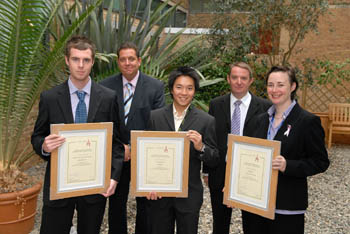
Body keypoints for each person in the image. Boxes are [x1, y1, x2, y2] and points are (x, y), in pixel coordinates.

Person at [31, 35, 124, 234]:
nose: (80, 65)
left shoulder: (108, 98)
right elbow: (37, 136)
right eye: (75, 59)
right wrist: (44, 147)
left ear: (92, 61)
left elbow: (116, 143)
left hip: (94, 186)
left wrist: (114, 177)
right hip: (59, 184)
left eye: (86, 60)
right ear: (67, 60)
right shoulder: (50, 98)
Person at [242, 66, 330, 234]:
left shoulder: (307, 121)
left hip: (287, 207)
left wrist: (287, 166)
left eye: (280, 85)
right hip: (254, 204)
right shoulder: (258, 121)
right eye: (270, 85)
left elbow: (321, 162)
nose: (274, 90)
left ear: (293, 86)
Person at [100, 42, 165, 234]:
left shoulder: (155, 87)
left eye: (131, 59)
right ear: (118, 62)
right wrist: (121, 147)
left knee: (145, 204)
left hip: (143, 156)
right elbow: (104, 121)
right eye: (123, 59)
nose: (127, 63)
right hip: (116, 154)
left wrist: (134, 148)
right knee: (116, 203)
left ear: (139, 61)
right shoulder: (105, 87)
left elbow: (157, 123)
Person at [146, 66, 219, 234]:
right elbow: (146, 155)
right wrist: (148, 185)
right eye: (179, 87)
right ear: (171, 89)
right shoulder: (154, 117)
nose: (183, 92)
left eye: (189, 88)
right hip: (160, 194)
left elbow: (214, 158)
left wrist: (201, 147)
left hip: (189, 194)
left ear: (194, 91)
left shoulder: (206, 120)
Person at [203, 62, 271, 234]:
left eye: (243, 78)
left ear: (251, 81)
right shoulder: (216, 104)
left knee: (253, 223)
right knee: (220, 222)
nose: (239, 81)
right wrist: (207, 171)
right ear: (228, 79)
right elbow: (210, 138)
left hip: (251, 173)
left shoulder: (265, 107)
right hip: (220, 170)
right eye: (234, 77)